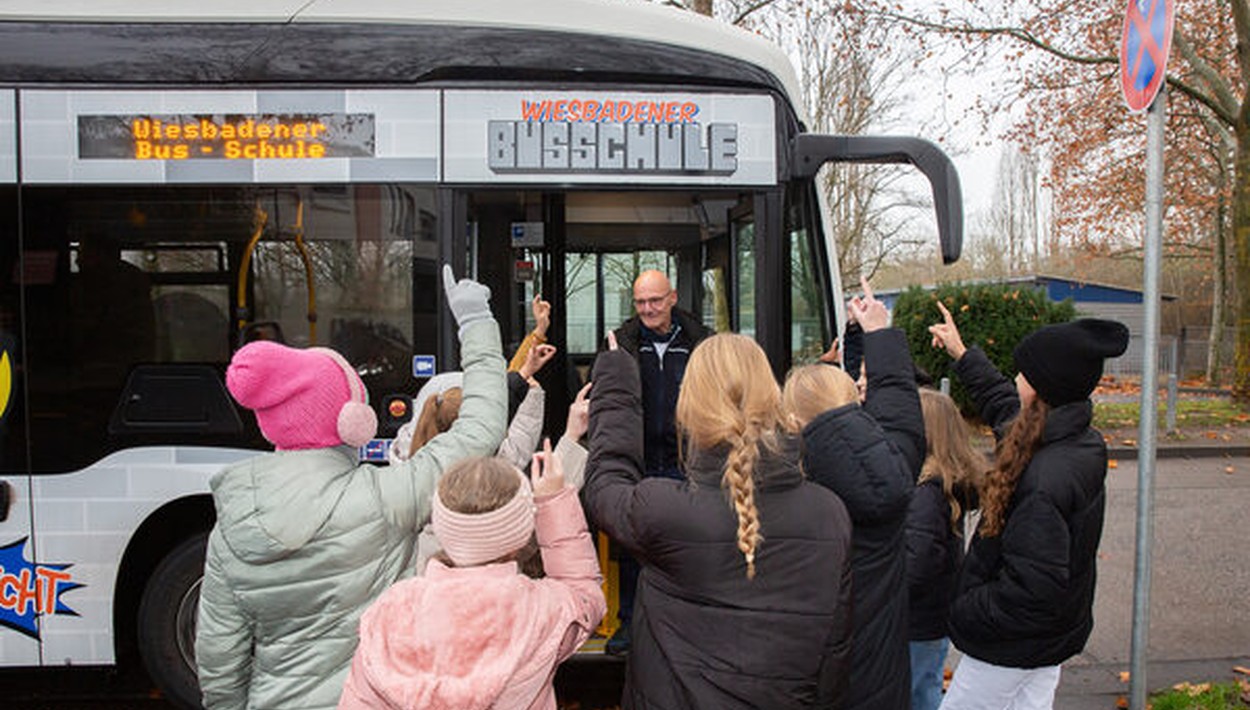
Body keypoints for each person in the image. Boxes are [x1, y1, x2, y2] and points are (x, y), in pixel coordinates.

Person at [195, 266, 507, 710]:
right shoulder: (385, 498)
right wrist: (475, 322)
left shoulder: (231, 527)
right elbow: (481, 428)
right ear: (352, 422)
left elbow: (218, 657)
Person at [583, 331, 854, 709]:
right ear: (772, 396)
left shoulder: (663, 509)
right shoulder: (829, 514)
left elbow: (604, 486)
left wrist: (616, 381)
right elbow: (835, 651)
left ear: (689, 407)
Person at [927, 303, 1129, 710]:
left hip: (1010, 645)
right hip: (1048, 640)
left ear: (1040, 388)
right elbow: (1003, 404)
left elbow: (1032, 591)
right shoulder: (1070, 437)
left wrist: (966, 607)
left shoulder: (1044, 480)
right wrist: (962, 353)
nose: (1016, 378)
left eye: (1023, 373)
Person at [338, 439, 606, 710]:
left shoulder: (391, 612)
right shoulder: (539, 610)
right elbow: (584, 594)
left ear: (442, 526)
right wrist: (552, 502)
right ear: (520, 535)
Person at [781, 279, 926, 710]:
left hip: (808, 680)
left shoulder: (785, 489)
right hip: (880, 681)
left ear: (791, 421)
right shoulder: (892, 477)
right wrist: (876, 335)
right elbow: (899, 420)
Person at [607, 268, 712, 654]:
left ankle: (688, 626)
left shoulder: (702, 343)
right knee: (634, 547)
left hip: (688, 463)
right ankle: (630, 623)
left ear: (672, 298)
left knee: (687, 546)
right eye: (640, 302)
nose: (647, 309)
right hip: (640, 461)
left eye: (654, 300)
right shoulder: (621, 345)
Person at [906, 388, 987, 710]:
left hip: (917, 619)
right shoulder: (944, 485)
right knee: (925, 685)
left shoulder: (926, 493)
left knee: (917, 692)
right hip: (932, 615)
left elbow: (918, 560)